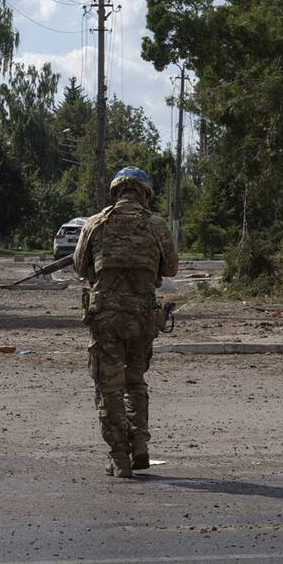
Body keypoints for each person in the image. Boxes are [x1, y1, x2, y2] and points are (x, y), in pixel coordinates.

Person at [73, 167, 178, 478]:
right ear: (144, 193)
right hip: (142, 317)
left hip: (105, 317)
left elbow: (80, 265)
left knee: (109, 387)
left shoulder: (95, 223)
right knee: (135, 381)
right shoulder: (156, 225)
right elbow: (171, 268)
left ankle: (119, 456)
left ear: (116, 191)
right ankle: (140, 443)